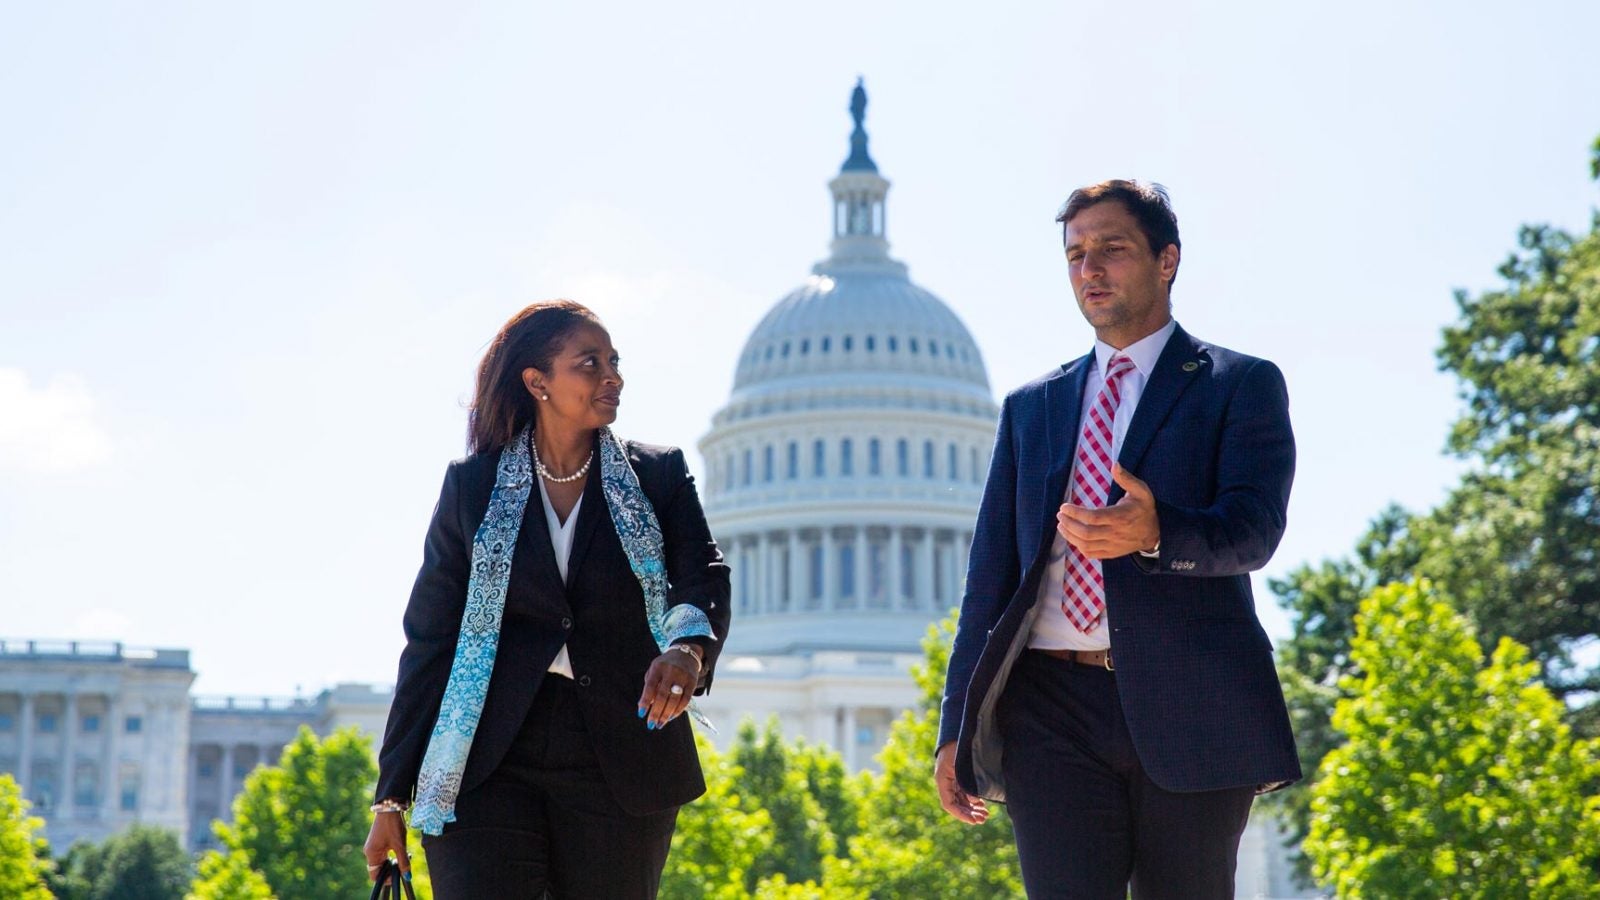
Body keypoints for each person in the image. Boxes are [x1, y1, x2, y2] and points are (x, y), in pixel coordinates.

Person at [933, 180, 1300, 899]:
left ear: (1167, 260)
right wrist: (956, 724)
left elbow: (1255, 532)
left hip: (1191, 702)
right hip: (1049, 709)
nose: (1089, 271)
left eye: (1111, 249)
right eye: (1074, 255)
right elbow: (991, 581)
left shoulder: (1239, 384)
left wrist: (1160, 532)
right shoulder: (1031, 407)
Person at [363, 300, 730, 897]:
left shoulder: (659, 476)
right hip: (487, 758)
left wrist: (687, 649)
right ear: (538, 382)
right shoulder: (471, 487)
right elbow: (431, 642)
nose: (612, 376)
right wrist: (390, 799)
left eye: (614, 361)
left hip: (621, 756)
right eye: (590, 363)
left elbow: (704, 574)